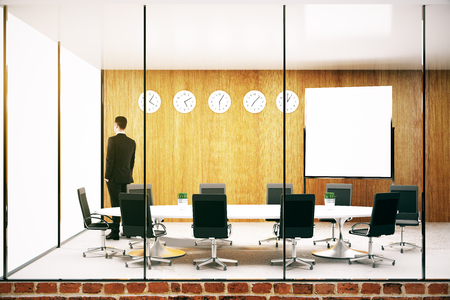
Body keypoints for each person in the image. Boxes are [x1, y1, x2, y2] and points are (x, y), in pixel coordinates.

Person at [105, 116, 136, 240]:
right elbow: (132, 162)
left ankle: (115, 232)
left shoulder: (112, 140)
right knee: (125, 204)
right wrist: (128, 174)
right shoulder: (132, 142)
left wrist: (107, 176)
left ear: (116, 125)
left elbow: (110, 160)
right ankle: (128, 230)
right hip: (126, 177)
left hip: (114, 178)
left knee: (115, 204)